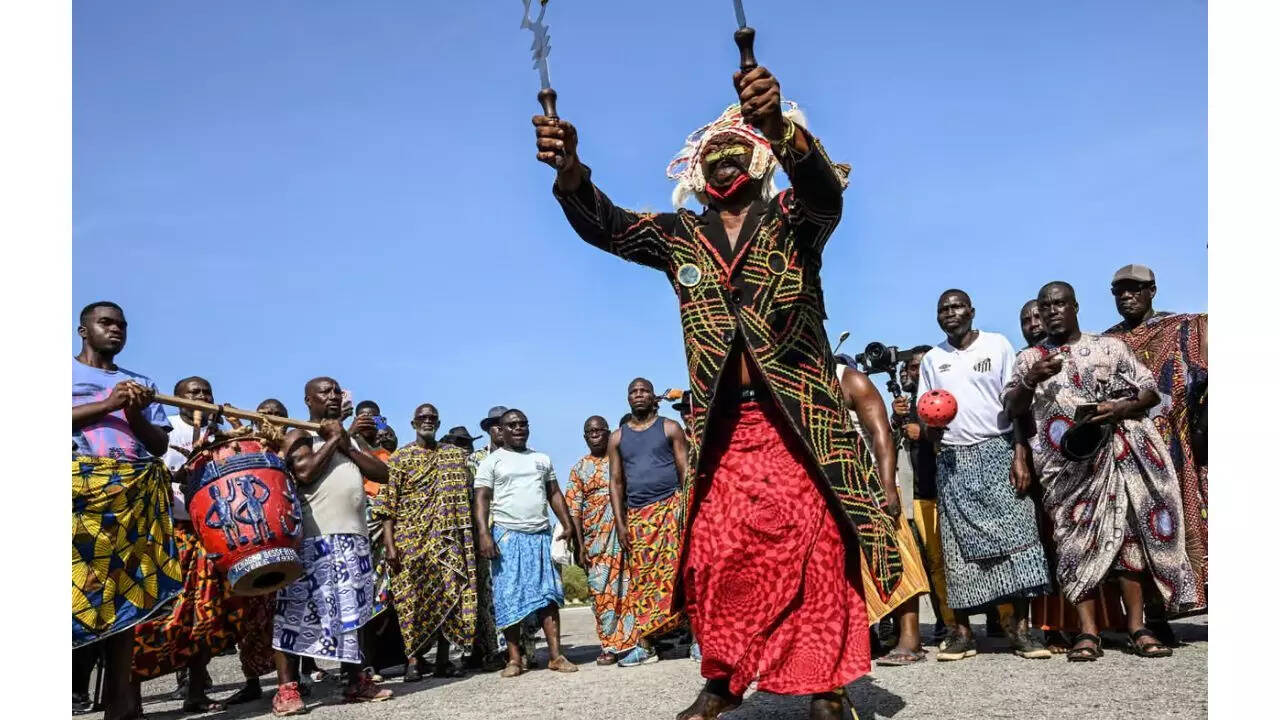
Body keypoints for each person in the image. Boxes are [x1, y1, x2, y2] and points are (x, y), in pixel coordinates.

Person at [537, 65, 902, 720]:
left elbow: (826, 198)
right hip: (723, 432)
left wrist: (784, 130)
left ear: (759, 157)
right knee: (712, 553)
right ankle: (724, 678)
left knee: (819, 546)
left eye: (740, 144)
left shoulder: (791, 217)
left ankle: (827, 685)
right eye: (713, 149)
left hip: (802, 426)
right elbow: (610, 227)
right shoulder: (680, 234)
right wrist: (571, 174)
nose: (724, 156)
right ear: (694, 170)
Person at [1005, 282, 1199, 661]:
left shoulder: (1110, 347)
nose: (1052, 311)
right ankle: (1087, 634)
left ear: (1076, 306)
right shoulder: (1029, 358)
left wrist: (1118, 409)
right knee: (1073, 545)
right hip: (1064, 471)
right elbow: (1012, 407)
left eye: (1060, 303)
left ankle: (1137, 628)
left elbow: (1149, 391)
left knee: (1128, 543)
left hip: (1116, 457)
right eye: (1045, 306)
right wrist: (1032, 379)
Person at [917, 289, 1051, 661]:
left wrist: (1020, 453)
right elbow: (926, 418)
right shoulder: (932, 359)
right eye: (943, 309)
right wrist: (931, 427)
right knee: (956, 548)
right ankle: (962, 634)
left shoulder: (998, 346)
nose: (950, 313)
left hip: (999, 448)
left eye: (957, 306)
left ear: (972, 311)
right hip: (954, 459)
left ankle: (1022, 632)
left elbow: (1015, 405)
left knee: (1019, 537)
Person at [72, 302, 182, 720]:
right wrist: (107, 403)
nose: (116, 330)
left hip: (132, 501)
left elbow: (158, 446)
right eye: (106, 323)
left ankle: (120, 703)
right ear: (83, 330)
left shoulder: (142, 384)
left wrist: (134, 412)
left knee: (126, 598)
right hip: (79, 498)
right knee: (77, 595)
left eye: (122, 325)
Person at [270, 377, 393, 714]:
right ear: (308, 400)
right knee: (295, 615)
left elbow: (382, 473)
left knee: (354, 614)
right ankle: (287, 689)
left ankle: (355, 681)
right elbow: (306, 471)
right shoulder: (297, 434)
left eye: (337, 391)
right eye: (325, 392)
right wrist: (333, 439)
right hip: (314, 539)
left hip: (353, 539)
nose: (334, 396)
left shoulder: (349, 439)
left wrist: (347, 445)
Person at [129, 377, 243, 712]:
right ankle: (130, 699)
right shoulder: (166, 432)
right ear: (178, 400)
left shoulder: (221, 435)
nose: (202, 398)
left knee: (206, 613)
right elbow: (154, 475)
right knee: (158, 614)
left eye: (207, 392)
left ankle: (196, 691)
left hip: (208, 534)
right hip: (169, 533)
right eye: (194, 393)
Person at [1104, 264, 1208, 626]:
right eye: (1119, 291)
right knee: (1139, 530)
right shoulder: (1107, 343)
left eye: (1135, 289)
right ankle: (1156, 614)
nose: (1127, 296)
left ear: (1152, 290)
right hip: (1132, 452)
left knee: (1187, 526)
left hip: (1178, 447)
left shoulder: (1184, 328)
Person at [836, 363, 932, 667]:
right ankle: (865, 638)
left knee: (894, 555)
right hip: (830, 487)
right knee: (847, 568)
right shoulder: (795, 381)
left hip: (869, 483)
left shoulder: (849, 379)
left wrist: (888, 486)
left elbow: (882, 434)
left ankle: (910, 638)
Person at [373, 403, 478, 681]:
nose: (427, 421)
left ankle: (443, 660)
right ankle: (413, 661)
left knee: (449, 596)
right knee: (410, 600)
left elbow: (470, 496)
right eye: (423, 417)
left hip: (447, 539)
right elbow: (387, 506)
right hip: (410, 540)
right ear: (413, 423)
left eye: (432, 418)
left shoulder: (455, 457)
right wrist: (390, 545)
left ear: (439, 423)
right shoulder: (400, 458)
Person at [473, 409, 580, 677]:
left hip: (541, 535)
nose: (519, 428)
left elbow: (553, 492)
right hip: (508, 537)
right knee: (509, 596)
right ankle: (514, 659)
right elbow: (482, 499)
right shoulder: (492, 461)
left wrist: (566, 524)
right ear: (503, 430)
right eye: (513, 425)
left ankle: (555, 656)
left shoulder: (541, 459)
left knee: (548, 596)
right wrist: (484, 534)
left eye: (523, 424)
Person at [606, 379, 689, 667]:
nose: (638, 395)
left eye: (643, 391)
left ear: (653, 397)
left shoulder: (670, 428)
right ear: (628, 398)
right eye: (633, 391)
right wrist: (620, 522)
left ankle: (699, 641)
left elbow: (685, 472)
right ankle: (646, 644)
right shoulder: (617, 438)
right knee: (642, 583)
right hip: (637, 516)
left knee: (681, 575)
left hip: (671, 510)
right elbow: (615, 483)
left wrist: (687, 511)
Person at [466, 406, 533, 670]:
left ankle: (527, 649)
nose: (498, 429)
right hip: (489, 533)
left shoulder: (525, 457)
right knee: (490, 594)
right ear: (489, 431)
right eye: (492, 425)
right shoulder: (475, 460)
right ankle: (495, 651)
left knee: (524, 589)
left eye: (500, 424)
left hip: (519, 530)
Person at [564, 416, 625, 665]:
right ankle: (609, 645)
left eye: (600, 430)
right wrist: (579, 546)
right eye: (590, 431)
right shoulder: (579, 469)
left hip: (624, 533)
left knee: (630, 588)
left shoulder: (621, 461)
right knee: (601, 591)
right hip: (595, 540)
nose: (595, 434)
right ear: (585, 436)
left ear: (609, 433)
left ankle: (638, 642)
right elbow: (574, 511)